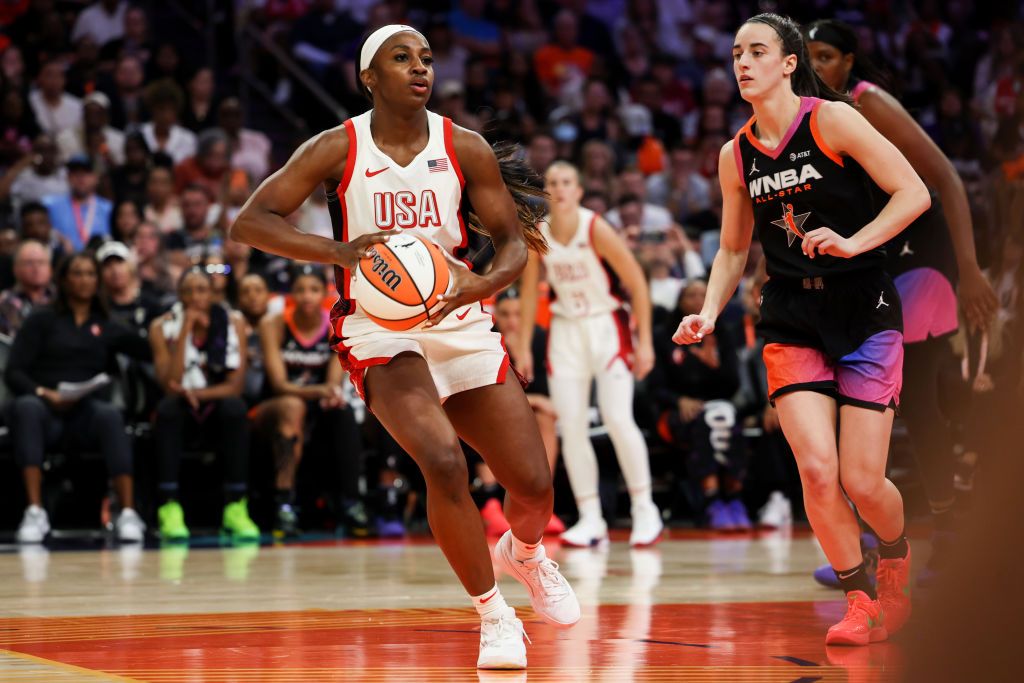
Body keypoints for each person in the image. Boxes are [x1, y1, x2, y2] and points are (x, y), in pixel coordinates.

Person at [230, 24, 580, 670]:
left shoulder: (463, 147)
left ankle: (526, 554)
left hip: (456, 315)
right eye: (401, 58)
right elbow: (250, 220)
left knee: (533, 486)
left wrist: (479, 281)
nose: (419, 68)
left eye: (425, 58)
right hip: (377, 326)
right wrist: (336, 252)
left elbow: (510, 243)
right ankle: (493, 614)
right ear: (369, 77)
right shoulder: (338, 147)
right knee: (443, 461)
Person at [673, 14, 929, 646]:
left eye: (757, 51)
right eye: (736, 53)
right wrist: (708, 312)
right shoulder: (734, 154)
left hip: (863, 303)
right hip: (790, 315)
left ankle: (894, 556)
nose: (742, 62)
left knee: (861, 480)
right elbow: (734, 250)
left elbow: (913, 192)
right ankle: (860, 599)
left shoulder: (832, 120)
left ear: (789, 62)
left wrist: (852, 243)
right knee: (817, 470)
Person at [806, 18, 1000, 589]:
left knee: (911, 400)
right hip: (876, 260)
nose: (817, 66)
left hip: (924, 258)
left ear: (849, 61)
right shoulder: (807, 115)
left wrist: (969, 270)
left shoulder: (869, 104)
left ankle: (949, 540)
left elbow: (945, 178)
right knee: (857, 400)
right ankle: (872, 538)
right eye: (809, 55)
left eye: (826, 55)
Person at [516, 160, 662, 547]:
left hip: (606, 324)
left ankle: (645, 509)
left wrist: (644, 340)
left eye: (567, 181)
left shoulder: (594, 227)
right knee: (572, 425)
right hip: (566, 330)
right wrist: (522, 347)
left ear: (579, 190)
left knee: (617, 417)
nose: (560, 188)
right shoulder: (538, 234)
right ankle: (590, 516)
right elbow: (529, 294)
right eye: (553, 182)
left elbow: (637, 284)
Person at [4, 252, 150, 543]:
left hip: (84, 410)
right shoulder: (42, 319)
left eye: (90, 274)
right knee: (27, 407)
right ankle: (35, 511)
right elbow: (14, 372)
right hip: (45, 408)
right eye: (77, 273)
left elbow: (148, 350)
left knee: (110, 415)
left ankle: (128, 512)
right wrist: (45, 393)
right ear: (63, 279)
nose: (85, 280)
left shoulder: (106, 324)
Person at [250, 265, 367, 537]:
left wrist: (326, 393)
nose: (306, 296)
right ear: (291, 294)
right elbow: (280, 385)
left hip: (315, 406)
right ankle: (285, 505)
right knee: (293, 405)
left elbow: (334, 383)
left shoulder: (334, 323)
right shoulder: (273, 324)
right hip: (273, 408)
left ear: (323, 293)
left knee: (343, 410)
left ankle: (352, 503)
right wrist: (320, 391)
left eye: (313, 290)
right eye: (300, 290)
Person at [148, 267, 259, 542]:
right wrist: (185, 329)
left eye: (201, 290)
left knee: (235, 408)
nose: (195, 297)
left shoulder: (232, 322)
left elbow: (235, 386)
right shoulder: (161, 327)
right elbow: (169, 382)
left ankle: (236, 505)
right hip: (181, 407)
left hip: (215, 404)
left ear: (211, 293)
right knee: (167, 409)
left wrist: (198, 394)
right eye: (188, 291)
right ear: (179, 295)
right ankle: (169, 505)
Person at [651, 279, 749, 529]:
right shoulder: (663, 335)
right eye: (691, 295)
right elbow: (654, 387)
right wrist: (679, 400)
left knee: (729, 419)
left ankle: (735, 498)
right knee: (703, 423)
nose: (696, 300)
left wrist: (713, 365)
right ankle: (712, 500)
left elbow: (733, 384)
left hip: (718, 405)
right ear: (680, 301)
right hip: (676, 411)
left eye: (702, 295)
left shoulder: (722, 333)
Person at [43, 155, 113, 251]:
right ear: (68, 177)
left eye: (86, 172)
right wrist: (57, 237)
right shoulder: (50, 206)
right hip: (62, 261)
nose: (80, 177)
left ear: (96, 177)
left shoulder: (108, 209)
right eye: (75, 173)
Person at [0, 240, 55, 337]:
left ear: (50, 268)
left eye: (41, 262)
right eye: (29, 263)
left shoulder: (62, 298)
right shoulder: (4, 301)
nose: (36, 268)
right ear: (15, 268)